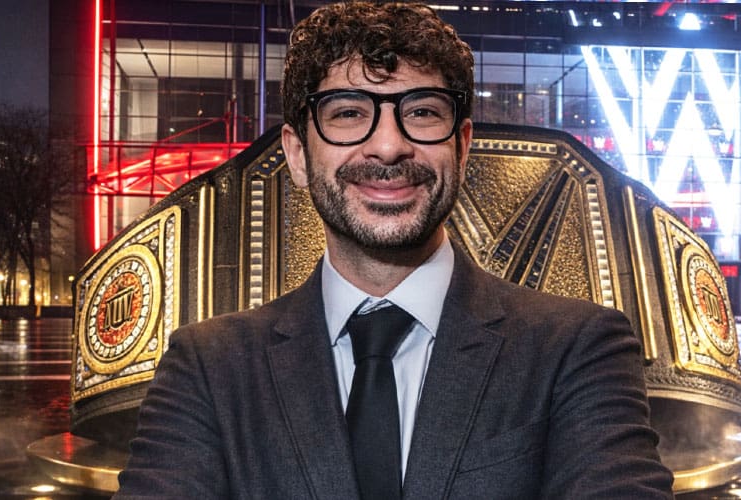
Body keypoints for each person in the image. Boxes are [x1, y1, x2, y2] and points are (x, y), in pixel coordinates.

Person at [115, 2, 674, 498]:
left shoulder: (578, 348)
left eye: (422, 112)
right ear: (298, 155)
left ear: (462, 146)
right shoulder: (207, 366)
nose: (388, 146)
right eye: (348, 113)